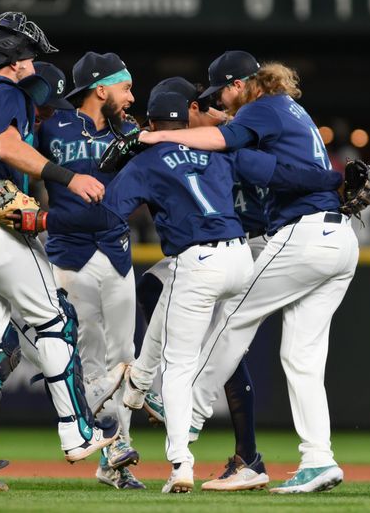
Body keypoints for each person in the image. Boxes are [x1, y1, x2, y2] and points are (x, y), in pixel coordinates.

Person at [10, 90, 343, 492]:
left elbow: (104, 215)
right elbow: (280, 173)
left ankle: (181, 463)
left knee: (181, 365)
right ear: (185, 124)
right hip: (240, 257)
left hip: (198, 263)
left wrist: (46, 220)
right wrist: (333, 179)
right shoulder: (220, 153)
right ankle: (136, 383)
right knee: (163, 291)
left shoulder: (146, 160)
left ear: (150, 125)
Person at [128, 51, 359, 494]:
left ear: (238, 84)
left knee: (232, 318)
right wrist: (330, 182)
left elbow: (223, 142)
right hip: (339, 241)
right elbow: (266, 164)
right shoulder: (286, 108)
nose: (223, 102)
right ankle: (319, 459)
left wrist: (158, 141)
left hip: (304, 236)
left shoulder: (260, 108)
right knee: (301, 357)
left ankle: (187, 417)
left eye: (223, 93)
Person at [0, 12, 118, 492]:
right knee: (55, 318)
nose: (35, 65)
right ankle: (77, 430)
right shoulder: (6, 92)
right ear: (13, 60)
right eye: (31, 56)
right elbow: (9, 147)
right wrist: (70, 176)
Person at [132, 76, 272, 491]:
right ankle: (146, 385)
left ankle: (245, 455)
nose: (209, 107)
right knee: (155, 286)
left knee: (225, 346)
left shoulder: (238, 131)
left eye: (211, 101)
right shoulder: (209, 135)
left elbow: (274, 166)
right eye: (202, 102)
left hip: (259, 244)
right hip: (217, 248)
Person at [36, 51, 143, 490]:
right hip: (68, 256)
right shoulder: (50, 127)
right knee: (86, 357)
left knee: (126, 357)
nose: (131, 97)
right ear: (101, 89)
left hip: (116, 253)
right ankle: (111, 447)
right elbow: (12, 159)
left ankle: (116, 456)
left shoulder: (132, 132)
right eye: (125, 87)